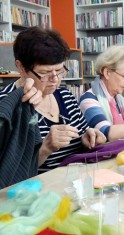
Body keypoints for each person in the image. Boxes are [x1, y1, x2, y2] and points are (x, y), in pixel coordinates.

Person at [0, 27, 106, 174]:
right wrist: (45, 148)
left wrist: (88, 137)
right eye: (45, 73)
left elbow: (82, 134)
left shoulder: (65, 96)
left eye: (59, 70)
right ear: (21, 67)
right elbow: (7, 173)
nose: (55, 80)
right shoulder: (5, 107)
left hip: (76, 183)